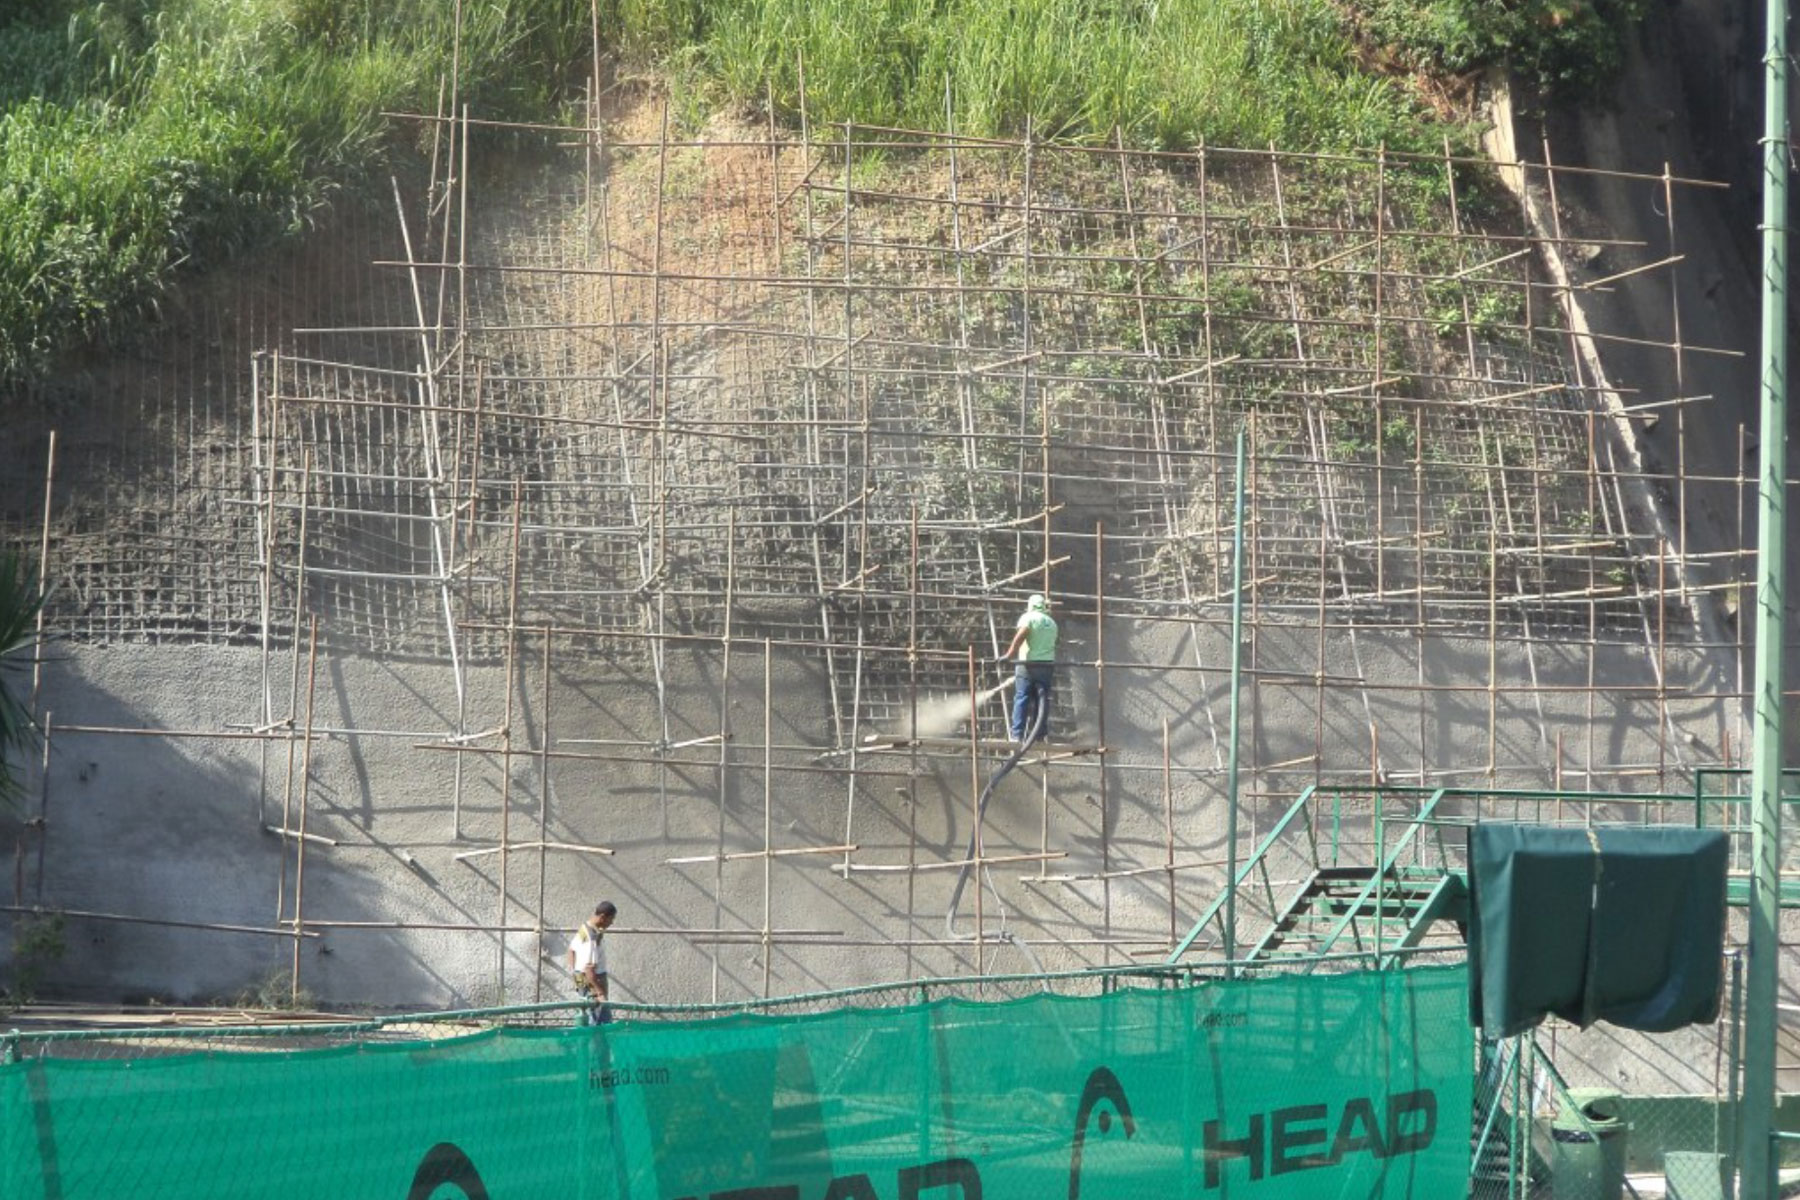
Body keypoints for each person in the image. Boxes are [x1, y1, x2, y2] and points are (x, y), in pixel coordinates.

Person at [1000, 593, 1058, 743]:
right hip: (1046, 665)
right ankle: (1039, 735)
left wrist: (1009, 654)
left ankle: (1017, 735)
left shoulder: (1029, 617)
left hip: (1027, 664)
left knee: (1022, 697)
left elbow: (1021, 634)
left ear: (1030, 605)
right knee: (1042, 699)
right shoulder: (1052, 623)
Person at [566, 899, 617, 1025]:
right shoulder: (592, 939)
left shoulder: (584, 928)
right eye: (611, 919)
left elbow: (571, 950)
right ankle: (597, 1044)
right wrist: (599, 992)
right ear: (603, 917)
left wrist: (575, 973)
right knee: (600, 1022)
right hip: (594, 981)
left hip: (582, 979)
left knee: (587, 1018)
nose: (612, 923)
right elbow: (589, 970)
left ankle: (586, 1043)